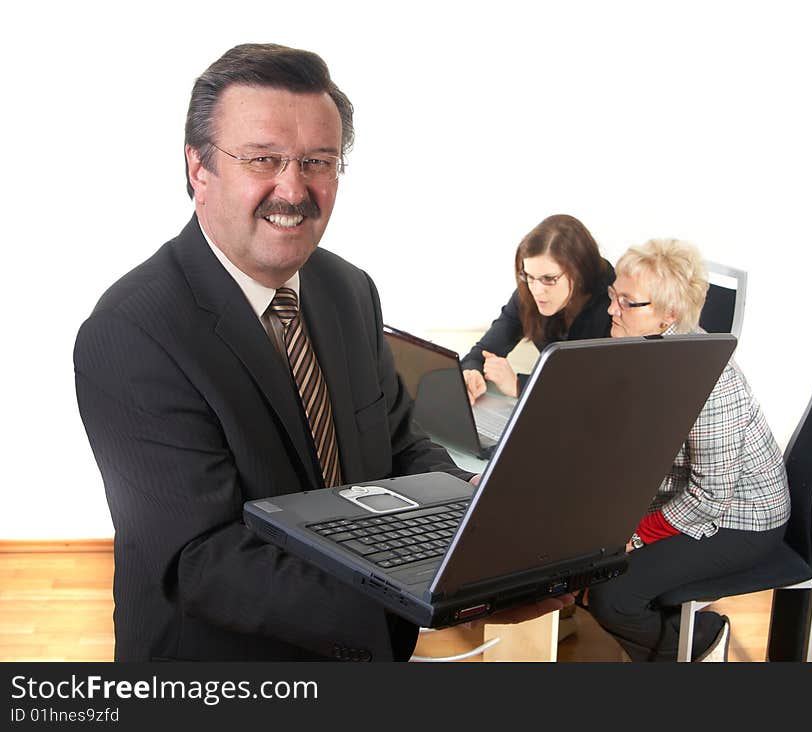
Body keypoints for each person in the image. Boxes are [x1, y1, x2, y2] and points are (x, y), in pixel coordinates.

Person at [73, 43, 570, 662]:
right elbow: (203, 559)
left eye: (318, 161)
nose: (294, 188)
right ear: (199, 168)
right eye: (263, 159)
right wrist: (436, 599)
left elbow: (398, 447)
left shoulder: (348, 289)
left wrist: (484, 518)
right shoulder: (132, 332)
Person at [585, 238, 791, 662]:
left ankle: (700, 641)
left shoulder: (711, 382)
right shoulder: (641, 347)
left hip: (741, 519)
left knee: (612, 594)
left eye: (627, 303)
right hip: (684, 499)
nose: (612, 310)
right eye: (613, 297)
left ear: (670, 314)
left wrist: (637, 533)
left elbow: (711, 497)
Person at [460, 214, 614, 404]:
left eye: (549, 279)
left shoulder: (614, 307)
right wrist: (471, 373)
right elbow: (482, 352)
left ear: (579, 271)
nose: (536, 291)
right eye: (529, 276)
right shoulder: (528, 292)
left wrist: (519, 385)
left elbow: (599, 391)